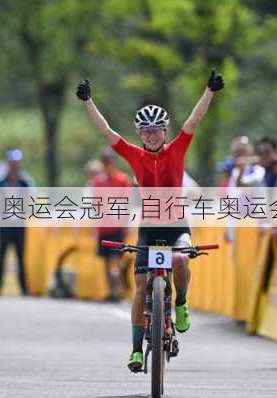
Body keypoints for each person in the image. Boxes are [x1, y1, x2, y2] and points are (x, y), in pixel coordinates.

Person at [76, 69, 224, 372]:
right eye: (146, 131)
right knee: (141, 286)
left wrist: (209, 91)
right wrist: (88, 101)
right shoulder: (134, 156)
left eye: (157, 129)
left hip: (177, 225)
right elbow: (106, 133)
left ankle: (180, 304)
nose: (152, 134)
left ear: (165, 132)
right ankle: (135, 350)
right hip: (149, 228)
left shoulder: (177, 149)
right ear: (140, 134)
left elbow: (193, 121)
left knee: (182, 260)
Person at [0, 149, 35, 296]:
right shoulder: (0, 182)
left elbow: (30, 201)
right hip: (5, 224)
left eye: (16, 163)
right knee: (2, 256)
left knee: (21, 257)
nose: (14, 165)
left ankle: (24, 289)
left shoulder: (25, 182)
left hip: (19, 224)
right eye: (12, 163)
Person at [91, 148, 132, 302]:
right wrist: (95, 225)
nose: (108, 165)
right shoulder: (98, 182)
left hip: (117, 226)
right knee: (107, 261)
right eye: (105, 162)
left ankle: (119, 290)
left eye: (110, 162)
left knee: (116, 259)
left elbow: (127, 202)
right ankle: (111, 291)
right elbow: (96, 205)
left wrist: (127, 224)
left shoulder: (122, 179)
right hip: (104, 226)